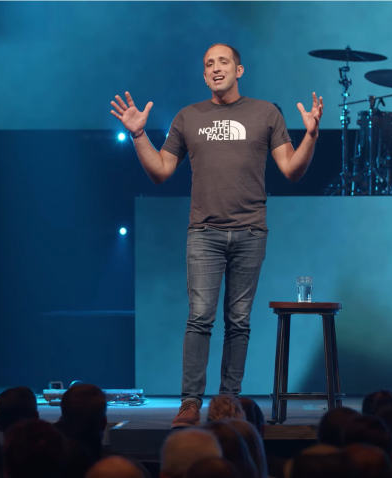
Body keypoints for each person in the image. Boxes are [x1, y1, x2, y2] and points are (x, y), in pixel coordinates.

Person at [110, 43, 323, 429]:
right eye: (209, 64)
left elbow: (292, 169)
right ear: (204, 75)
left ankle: (228, 402)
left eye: (223, 61)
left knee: (239, 322)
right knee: (199, 319)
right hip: (204, 233)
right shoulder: (188, 117)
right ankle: (190, 403)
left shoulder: (266, 113)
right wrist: (139, 135)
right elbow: (160, 170)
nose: (215, 68)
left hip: (250, 232)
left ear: (239, 70)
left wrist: (310, 135)